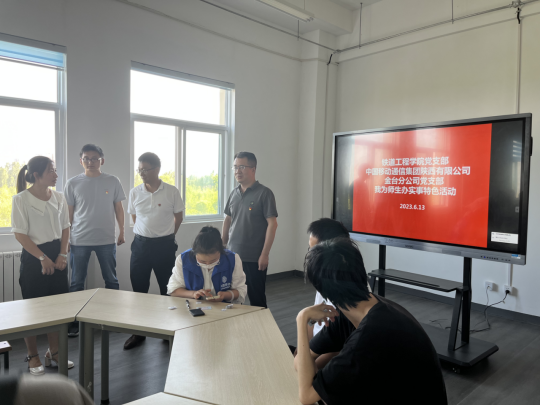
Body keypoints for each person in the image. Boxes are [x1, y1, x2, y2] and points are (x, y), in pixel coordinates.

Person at [294, 238, 447, 405]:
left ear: (323, 292)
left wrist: (302, 319)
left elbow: (306, 396)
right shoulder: (361, 309)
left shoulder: (371, 334)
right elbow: (301, 360)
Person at [11, 156, 75, 375]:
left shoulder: (59, 197)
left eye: (55, 170)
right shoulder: (21, 199)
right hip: (34, 256)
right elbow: (20, 234)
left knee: (57, 308)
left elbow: (66, 227)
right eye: (51, 170)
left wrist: (62, 254)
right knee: (33, 309)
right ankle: (33, 356)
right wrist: (42, 258)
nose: (56, 174)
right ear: (37, 175)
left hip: (58, 255)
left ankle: (54, 352)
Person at [123, 152, 185, 350]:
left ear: (157, 169)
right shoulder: (135, 192)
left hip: (164, 246)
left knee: (167, 289)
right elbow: (135, 217)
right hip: (140, 246)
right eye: (139, 170)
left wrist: (168, 235)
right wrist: (146, 233)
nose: (141, 173)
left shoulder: (171, 191)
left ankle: (167, 330)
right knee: (139, 290)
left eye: (145, 169)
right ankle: (138, 332)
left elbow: (178, 217)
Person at [65, 144, 126, 337]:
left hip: (106, 239)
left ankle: (112, 318)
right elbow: (69, 214)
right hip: (79, 239)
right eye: (86, 158)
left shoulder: (112, 181)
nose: (90, 162)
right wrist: (66, 238)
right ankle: (74, 322)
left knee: (111, 280)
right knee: (77, 282)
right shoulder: (72, 183)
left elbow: (119, 208)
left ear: (102, 160)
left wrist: (122, 231)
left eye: (94, 158)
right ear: (81, 161)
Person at [222, 152, 277, 308]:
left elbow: (273, 224)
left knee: (256, 299)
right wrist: (222, 245)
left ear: (253, 169)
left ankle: (260, 325)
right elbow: (228, 219)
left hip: (254, 258)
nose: (237, 171)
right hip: (232, 255)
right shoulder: (234, 193)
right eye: (235, 167)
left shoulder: (264, 193)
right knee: (230, 298)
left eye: (242, 167)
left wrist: (264, 254)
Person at [167, 226, 247, 304]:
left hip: (225, 307)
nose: (208, 264)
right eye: (202, 261)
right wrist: (193, 294)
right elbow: (173, 290)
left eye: (213, 260)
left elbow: (240, 290)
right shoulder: (183, 260)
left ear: (221, 251)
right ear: (194, 253)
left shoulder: (232, 259)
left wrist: (225, 295)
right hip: (193, 307)